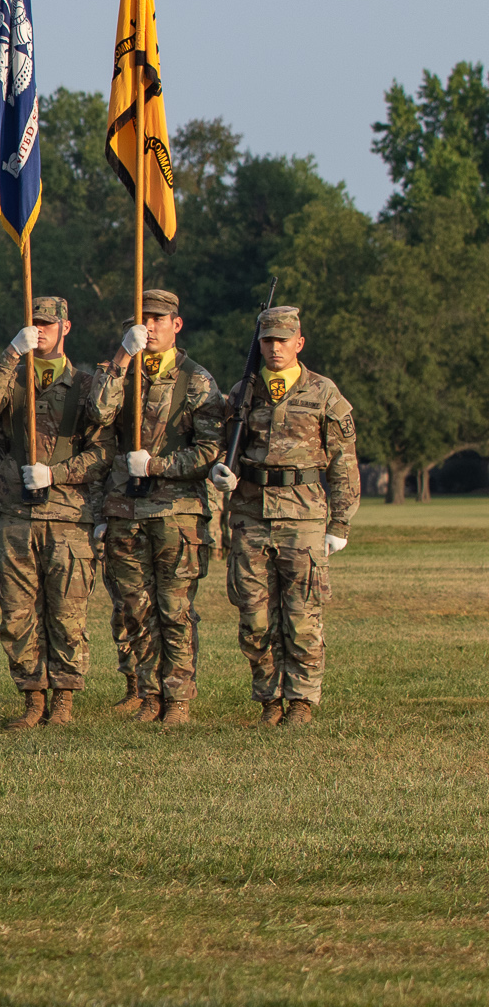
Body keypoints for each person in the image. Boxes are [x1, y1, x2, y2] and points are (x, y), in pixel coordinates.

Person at [0, 296, 118, 729]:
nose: (42, 330)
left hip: (68, 516)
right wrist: (13, 350)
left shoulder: (86, 385)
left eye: (49, 324)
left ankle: (65, 699)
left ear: (65, 328)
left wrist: (57, 474)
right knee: (17, 613)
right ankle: (32, 697)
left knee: (67, 614)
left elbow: (102, 452)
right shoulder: (12, 379)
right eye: (34, 324)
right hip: (14, 514)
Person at [210, 305, 358, 726]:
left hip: (304, 517)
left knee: (303, 616)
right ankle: (269, 700)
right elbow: (223, 448)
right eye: (267, 340)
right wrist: (221, 470)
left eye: (282, 340)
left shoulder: (324, 393)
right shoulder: (243, 393)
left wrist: (340, 523)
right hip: (251, 515)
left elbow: (343, 463)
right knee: (254, 617)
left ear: (299, 343)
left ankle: (301, 702)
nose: (275, 348)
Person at [97, 289, 225, 725]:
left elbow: (209, 451)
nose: (149, 327)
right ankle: (148, 694)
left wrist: (157, 464)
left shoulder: (198, 381)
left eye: (158, 318)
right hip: (125, 510)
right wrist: (120, 358)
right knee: (136, 608)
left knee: (175, 609)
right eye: (142, 319)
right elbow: (98, 415)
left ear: (177, 323)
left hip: (177, 513)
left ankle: (179, 699)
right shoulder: (122, 371)